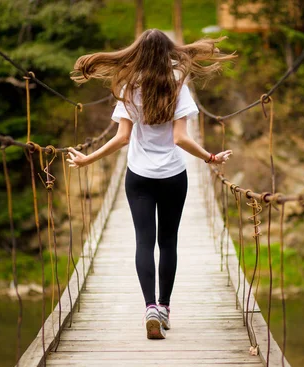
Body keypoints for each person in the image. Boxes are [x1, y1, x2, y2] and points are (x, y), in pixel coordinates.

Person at [66, 29, 235, 339]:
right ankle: (166, 309)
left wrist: (87, 160)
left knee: (144, 242)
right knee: (168, 242)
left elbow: (122, 138)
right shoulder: (178, 85)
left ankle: (149, 308)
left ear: (138, 53)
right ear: (169, 52)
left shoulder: (131, 87)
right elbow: (181, 138)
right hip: (173, 176)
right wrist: (210, 158)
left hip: (139, 176)